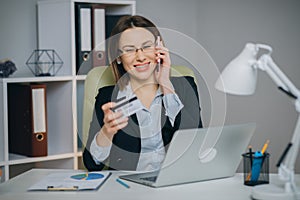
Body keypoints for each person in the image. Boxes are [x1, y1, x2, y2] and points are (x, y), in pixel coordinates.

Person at [83, 15, 202, 171]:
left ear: (159, 48)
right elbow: (92, 165)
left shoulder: (185, 86)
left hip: (174, 183)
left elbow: (195, 144)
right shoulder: (108, 97)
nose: (140, 57)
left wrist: (166, 84)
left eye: (147, 46)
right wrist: (107, 131)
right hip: (128, 188)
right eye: (129, 50)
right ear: (118, 58)